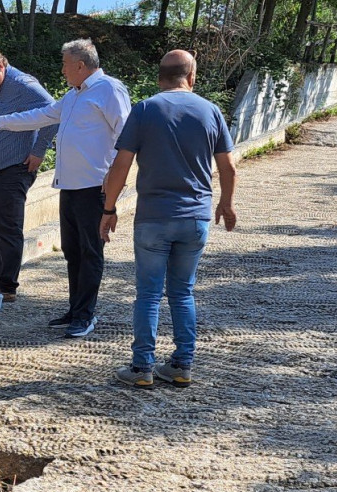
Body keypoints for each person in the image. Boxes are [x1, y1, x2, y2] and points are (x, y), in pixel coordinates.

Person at [98, 50, 236, 388]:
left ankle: (142, 367)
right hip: (195, 219)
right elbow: (228, 166)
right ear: (192, 76)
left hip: (154, 218)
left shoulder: (145, 109)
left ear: (159, 77)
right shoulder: (211, 111)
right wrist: (226, 205)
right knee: (182, 293)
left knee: (148, 294)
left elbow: (121, 165)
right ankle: (181, 365)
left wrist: (109, 208)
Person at [0, 39, 130, 338]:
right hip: (70, 187)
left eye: (64, 65)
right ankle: (75, 309)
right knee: (73, 252)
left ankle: (86, 316)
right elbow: (40, 116)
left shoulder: (109, 89)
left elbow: (126, 135)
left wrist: (113, 178)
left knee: (90, 252)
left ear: (80, 65)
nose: (62, 71)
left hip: (94, 186)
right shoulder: (74, 96)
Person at [0, 47, 57, 305]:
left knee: (7, 229)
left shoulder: (23, 85)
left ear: (2, 66)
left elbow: (53, 111)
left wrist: (39, 151)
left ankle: (6, 287)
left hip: (12, 169)